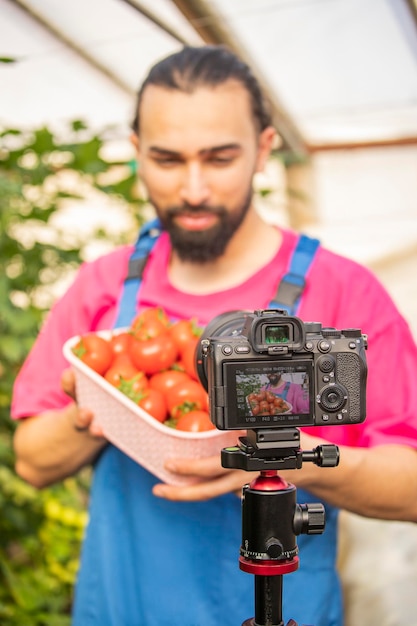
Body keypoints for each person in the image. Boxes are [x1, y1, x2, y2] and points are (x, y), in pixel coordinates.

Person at [11, 45, 417, 626]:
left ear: (264, 148)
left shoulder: (345, 290)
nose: (194, 189)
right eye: (168, 160)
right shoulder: (104, 286)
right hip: (123, 610)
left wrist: (288, 458)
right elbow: (31, 461)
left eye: (220, 158)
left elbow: (412, 488)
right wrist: (100, 407)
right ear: (136, 155)